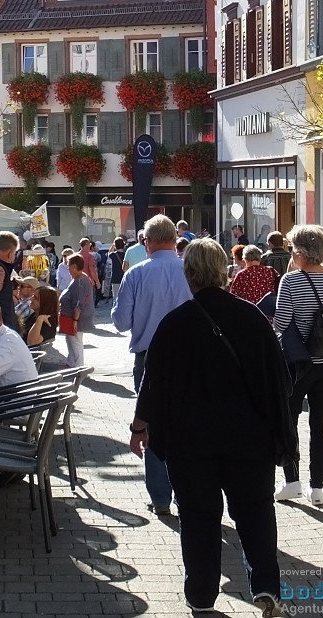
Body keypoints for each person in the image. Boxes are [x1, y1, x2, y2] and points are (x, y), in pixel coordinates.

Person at [129, 238, 292, 617]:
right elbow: (279, 381)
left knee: (199, 517)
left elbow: (152, 384)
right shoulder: (253, 319)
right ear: (225, 273)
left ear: (189, 275)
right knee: (255, 513)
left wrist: (140, 427)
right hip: (249, 438)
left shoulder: (174, 324)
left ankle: (201, 596)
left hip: (191, 442)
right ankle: (267, 587)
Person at [112, 215, 193, 516]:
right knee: (187, 425)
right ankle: (187, 495)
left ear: (147, 241)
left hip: (149, 358)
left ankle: (160, 498)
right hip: (189, 357)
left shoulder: (136, 274)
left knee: (152, 424)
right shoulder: (191, 270)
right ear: (175, 239)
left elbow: (120, 322)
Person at [273, 224, 323, 505]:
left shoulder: (291, 282)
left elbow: (281, 322)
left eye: (293, 250)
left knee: (289, 420)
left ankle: (292, 480)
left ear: (302, 253)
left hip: (298, 363)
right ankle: (317, 487)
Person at [59, 255, 91, 368]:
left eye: (68, 266)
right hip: (70, 317)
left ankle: (78, 367)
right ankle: (72, 363)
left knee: (75, 342)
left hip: (74, 318)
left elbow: (78, 304)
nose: (68, 268)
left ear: (74, 266)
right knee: (71, 341)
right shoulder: (78, 279)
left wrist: (75, 320)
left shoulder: (80, 282)